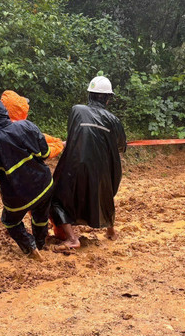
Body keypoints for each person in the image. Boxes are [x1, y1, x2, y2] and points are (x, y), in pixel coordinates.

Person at [50, 76, 127, 248]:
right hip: (102, 170)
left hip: (74, 166)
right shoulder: (114, 120)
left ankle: (72, 238)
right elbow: (121, 146)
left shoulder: (76, 110)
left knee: (58, 199)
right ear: (108, 98)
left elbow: (73, 135)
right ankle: (111, 231)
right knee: (104, 196)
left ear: (90, 95)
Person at [0, 96, 53, 260]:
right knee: (40, 216)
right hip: (44, 185)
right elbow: (46, 154)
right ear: (5, 112)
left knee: (10, 222)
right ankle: (41, 243)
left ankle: (30, 247)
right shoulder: (26, 125)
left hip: (18, 195)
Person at [0, 90, 64, 159]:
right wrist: (61, 145)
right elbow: (44, 151)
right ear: (21, 109)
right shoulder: (22, 130)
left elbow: (38, 137)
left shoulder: (3, 128)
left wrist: (56, 141)